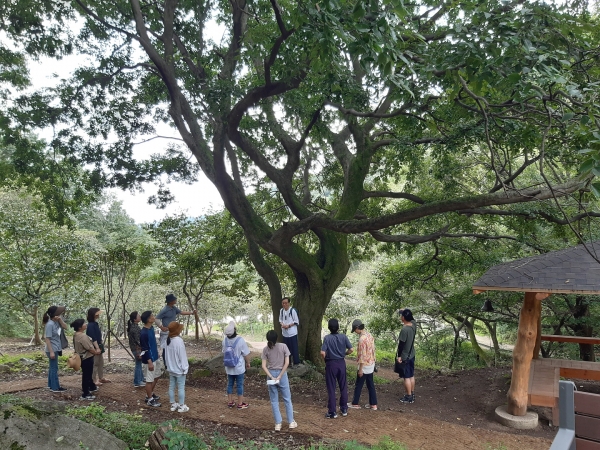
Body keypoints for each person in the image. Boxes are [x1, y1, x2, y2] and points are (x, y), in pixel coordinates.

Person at [261, 330, 297, 431]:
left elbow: (263, 366)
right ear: (277, 338)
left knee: (274, 401)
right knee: (287, 399)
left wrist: (271, 377)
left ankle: (278, 424)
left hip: (271, 375)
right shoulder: (283, 346)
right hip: (282, 374)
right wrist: (280, 375)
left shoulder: (265, 349)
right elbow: (287, 363)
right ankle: (291, 422)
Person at [320, 318, 353, 419]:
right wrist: (344, 354)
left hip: (331, 364)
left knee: (331, 387)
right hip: (341, 363)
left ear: (329, 327)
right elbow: (351, 349)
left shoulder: (327, 338)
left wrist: (326, 359)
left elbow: (322, 352)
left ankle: (332, 412)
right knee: (343, 386)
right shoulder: (343, 337)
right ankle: (344, 409)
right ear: (338, 327)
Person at [156, 294, 196, 369]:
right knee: (165, 348)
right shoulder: (165, 310)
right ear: (170, 301)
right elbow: (157, 318)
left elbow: (181, 312)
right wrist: (161, 327)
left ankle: (174, 362)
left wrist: (191, 313)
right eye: (174, 299)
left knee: (173, 346)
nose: (175, 300)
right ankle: (166, 365)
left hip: (173, 331)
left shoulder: (174, 308)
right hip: (166, 333)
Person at [348, 319, 377, 410]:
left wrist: (360, 369)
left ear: (357, 328)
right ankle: (373, 404)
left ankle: (355, 403)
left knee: (359, 384)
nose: (355, 332)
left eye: (354, 330)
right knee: (370, 384)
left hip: (364, 366)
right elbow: (373, 350)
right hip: (371, 363)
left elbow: (362, 356)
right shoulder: (369, 335)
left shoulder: (362, 339)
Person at [222, 321, 251, 409]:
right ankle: (240, 403)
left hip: (228, 367)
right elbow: (246, 354)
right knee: (239, 385)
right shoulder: (240, 340)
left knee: (230, 384)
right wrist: (248, 363)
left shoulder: (224, 341)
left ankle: (230, 402)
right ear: (234, 330)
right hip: (239, 367)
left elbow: (223, 352)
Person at [71, 318, 101, 400]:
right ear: (80, 327)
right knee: (87, 375)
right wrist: (96, 352)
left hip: (80, 357)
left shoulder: (75, 335)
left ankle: (92, 386)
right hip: (87, 357)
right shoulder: (83, 336)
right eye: (84, 323)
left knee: (88, 373)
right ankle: (86, 393)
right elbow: (90, 348)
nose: (86, 324)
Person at [165, 321, 189, 413]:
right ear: (177, 331)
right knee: (181, 387)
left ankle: (173, 404)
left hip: (171, 369)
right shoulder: (179, 341)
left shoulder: (168, 340)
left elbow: (166, 356)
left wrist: (168, 366)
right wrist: (185, 368)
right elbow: (182, 356)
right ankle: (182, 406)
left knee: (171, 387)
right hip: (179, 370)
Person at [140, 310, 163, 407]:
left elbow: (153, 343)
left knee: (156, 376)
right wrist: (149, 362)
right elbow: (144, 349)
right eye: (152, 316)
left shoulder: (151, 328)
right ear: (148, 319)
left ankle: (149, 394)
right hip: (149, 360)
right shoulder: (143, 333)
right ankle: (149, 399)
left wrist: (157, 353)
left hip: (155, 357)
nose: (154, 317)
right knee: (149, 380)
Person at [43, 305, 68, 393]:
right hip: (52, 349)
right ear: (54, 314)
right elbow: (47, 339)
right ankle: (55, 387)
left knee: (52, 367)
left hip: (56, 347)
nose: (60, 314)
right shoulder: (49, 324)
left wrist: (60, 320)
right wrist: (51, 352)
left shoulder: (56, 322)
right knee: (54, 368)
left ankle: (51, 385)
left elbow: (65, 327)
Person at [86, 307, 110, 385]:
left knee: (100, 362)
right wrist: (97, 348)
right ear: (93, 315)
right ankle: (93, 380)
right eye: (97, 314)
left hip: (99, 345)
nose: (98, 315)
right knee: (95, 363)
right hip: (94, 347)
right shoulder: (90, 325)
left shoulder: (95, 324)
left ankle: (101, 377)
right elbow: (93, 338)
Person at [397, 308, 416, 404]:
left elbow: (401, 345)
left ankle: (409, 397)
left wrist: (399, 356)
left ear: (403, 318)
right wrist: (405, 310)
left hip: (405, 356)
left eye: (402, 315)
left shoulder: (405, 329)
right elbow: (413, 319)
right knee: (411, 375)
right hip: (412, 354)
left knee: (406, 377)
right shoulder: (414, 325)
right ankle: (412, 393)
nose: (401, 316)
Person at [279, 297, 301, 366]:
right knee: (286, 349)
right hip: (285, 333)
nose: (284, 304)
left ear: (289, 303)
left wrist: (288, 326)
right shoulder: (281, 311)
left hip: (292, 333)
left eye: (286, 303)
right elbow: (280, 320)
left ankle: (296, 362)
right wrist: (282, 324)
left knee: (294, 348)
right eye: (283, 303)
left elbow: (296, 321)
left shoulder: (292, 311)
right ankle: (287, 363)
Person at [127, 311, 145, 388]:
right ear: (135, 319)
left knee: (139, 363)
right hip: (137, 349)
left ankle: (141, 379)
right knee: (138, 364)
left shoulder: (135, 326)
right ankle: (137, 381)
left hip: (135, 348)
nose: (140, 316)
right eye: (138, 316)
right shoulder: (135, 328)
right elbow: (138, 340)